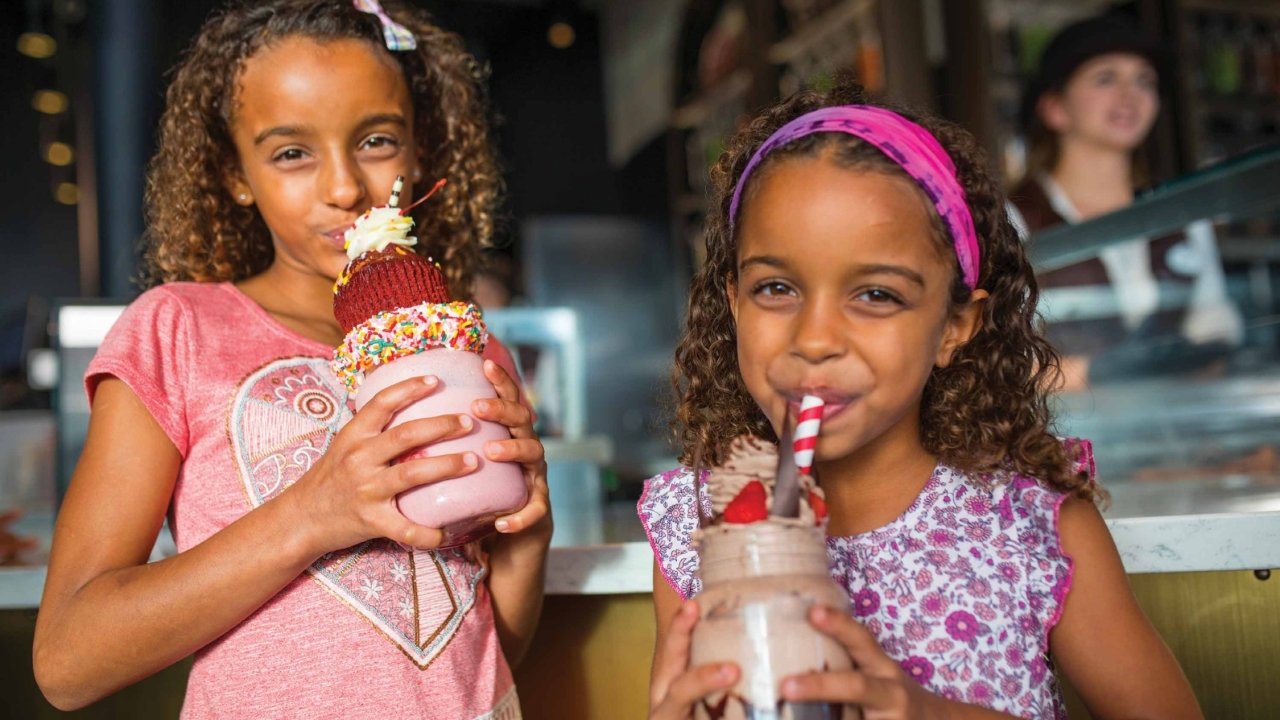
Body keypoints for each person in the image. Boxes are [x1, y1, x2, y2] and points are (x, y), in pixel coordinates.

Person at [32, 2, 550, 718]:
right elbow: (68, 660)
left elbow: (477, 655)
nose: (344, 188)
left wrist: (527, 540)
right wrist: (314, 512)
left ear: (420, 148)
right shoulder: (179, 331)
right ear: (234, 172)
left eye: (375, 141)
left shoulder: (469, 344)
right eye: (291, 153)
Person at [640, 77, 1202, 719]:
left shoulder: (1031, 528)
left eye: (877, 295)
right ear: (733, 301)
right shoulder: (702, 527)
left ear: (954, 327)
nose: (815, 338)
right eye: (775, 287)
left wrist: (926, 712)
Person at [1009, 16, 1243, 389]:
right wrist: (1099, 373)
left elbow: (1215, 332)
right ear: (1055, 108)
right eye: (1105, 78)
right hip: (1059, 443)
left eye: (1144, 81)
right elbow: (1000, 367)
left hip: (1169, 438)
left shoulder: (1180, 216)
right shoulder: (1013, 220)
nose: (1129, 95)